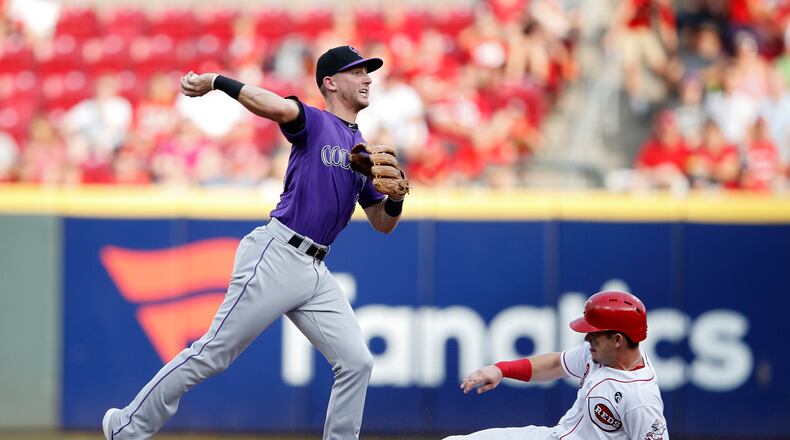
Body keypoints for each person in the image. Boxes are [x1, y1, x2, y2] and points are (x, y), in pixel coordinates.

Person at [102, 45, 408, 440]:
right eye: (357, 72)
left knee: (357, 362)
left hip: (315, 271)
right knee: (213, 353)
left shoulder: (361, 149)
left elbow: (382, 223)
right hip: (277, 253)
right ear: (330, 83)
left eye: (369, 72)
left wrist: (396, 198)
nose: (368, 78)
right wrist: (216, 81)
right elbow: (277, 107)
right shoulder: (314, 121)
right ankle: (126, 426)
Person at [446, 290, 669, 440]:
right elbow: (555, 364)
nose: (586, 338)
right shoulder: (599, 354)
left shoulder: (640, 400)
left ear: (618, 339)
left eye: (593, 333)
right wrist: (501, 369)